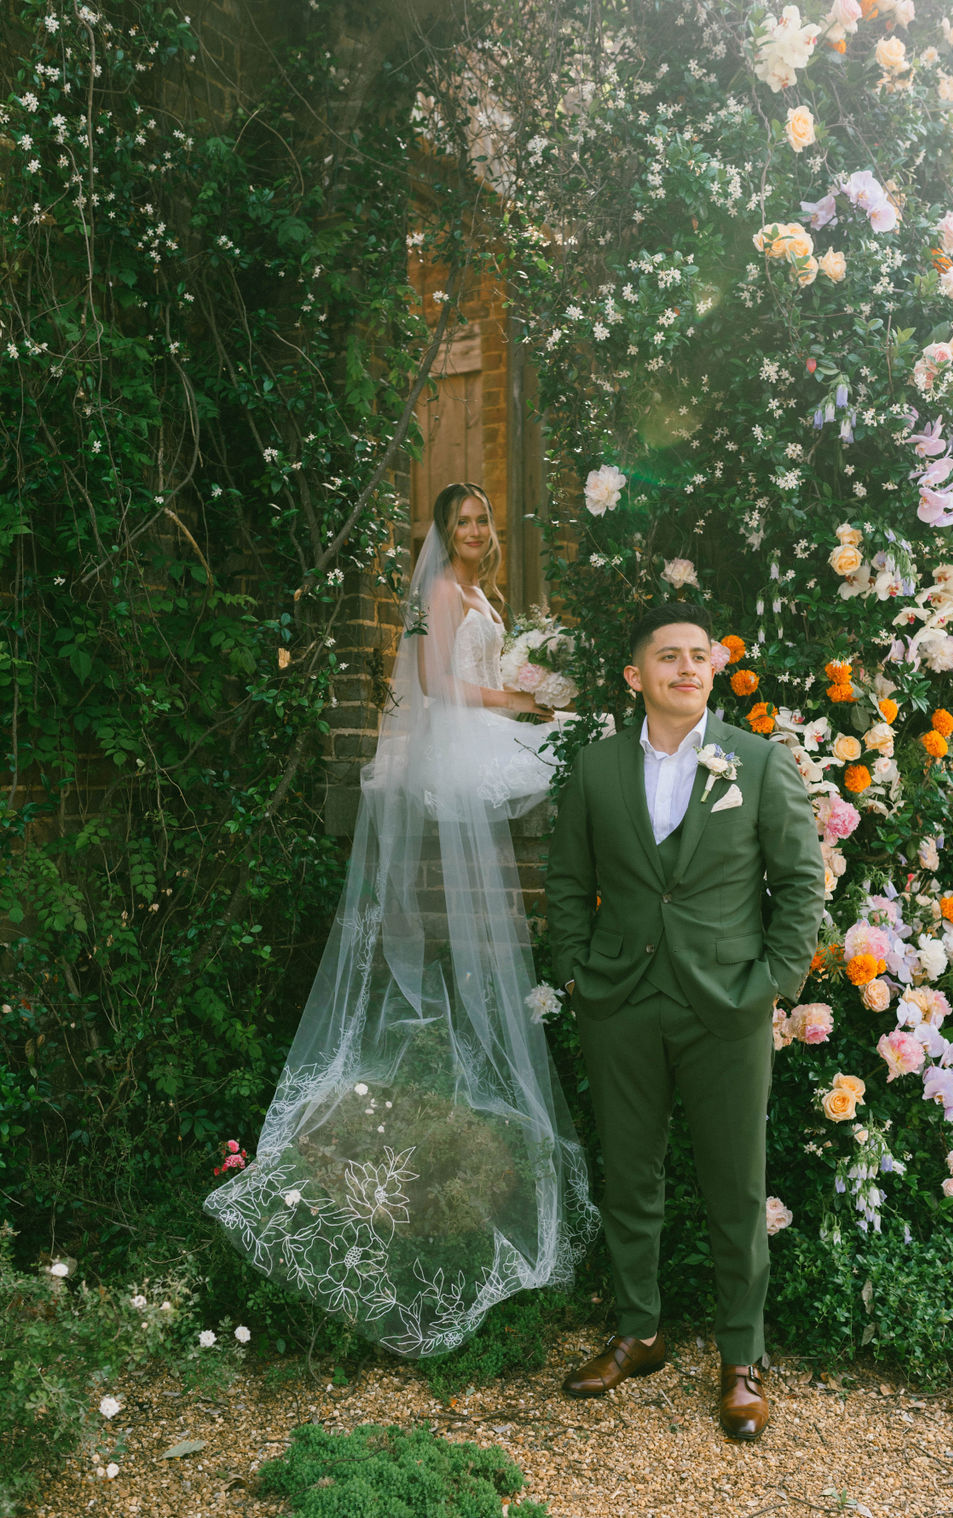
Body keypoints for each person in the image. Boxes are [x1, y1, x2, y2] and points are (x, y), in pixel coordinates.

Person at [205, 483, 597, 1357]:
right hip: (454, 735)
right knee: (556, 751)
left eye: (484, 521)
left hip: (481, 718)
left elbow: (487, 672)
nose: (475, 532)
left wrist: (532, 683)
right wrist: (522, 703)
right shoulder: (439, 592)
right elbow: (434, 684)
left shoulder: (484, 595)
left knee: (576, 744)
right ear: (441, 535)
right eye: (461, 522)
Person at [545, 600, 824, 1439]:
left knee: (735, 1186)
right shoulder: (594, 770)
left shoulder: (758, 762)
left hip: (726, 1007)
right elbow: (566, 885)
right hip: (620, 1004)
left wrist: (768, 983)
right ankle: (640, 1333)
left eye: (700, 655)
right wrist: (579, 970)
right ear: (637, 677)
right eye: (669, 657)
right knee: (631, 1177)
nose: (688, 668)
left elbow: (801, 884)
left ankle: (743, 1357)